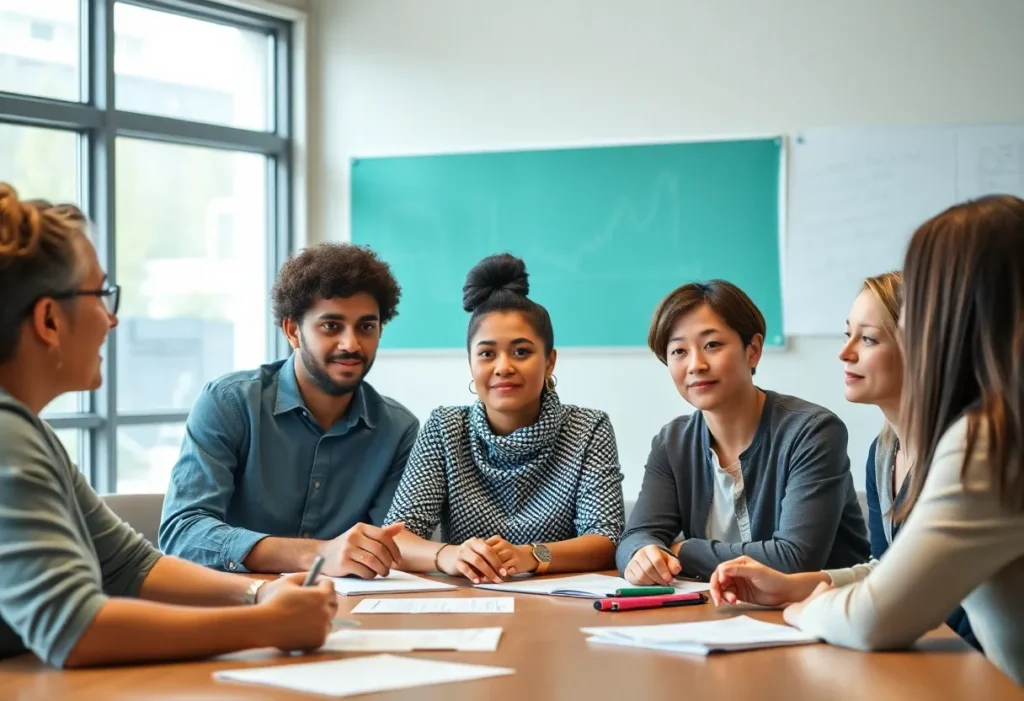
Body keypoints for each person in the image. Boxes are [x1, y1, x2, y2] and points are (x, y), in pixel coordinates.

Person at [0, 183, 336, 668]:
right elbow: (72, 628)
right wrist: (266, 625)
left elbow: (129, 566)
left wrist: (260, 595)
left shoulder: (30, 433)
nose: (112, 320)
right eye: (101, 294)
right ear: (49, 320)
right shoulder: (8, 438)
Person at [709, 195, 1024, 688]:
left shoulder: (991, 440)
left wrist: (807, 609)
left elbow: (875, 617)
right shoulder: (901, 448)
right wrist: (803, 587)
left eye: (923, 292)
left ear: (959, 307)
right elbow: (895, 567)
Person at [158, 242, 419, 579]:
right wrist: (317, 555)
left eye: (366, 327)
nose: (351, 344)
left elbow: (394, 544)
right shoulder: (229, 404)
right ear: (293, 331)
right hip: (233, 608)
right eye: (331, 326)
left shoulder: (398, 429)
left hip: (344, 611)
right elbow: (183, 532)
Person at [383, 254, 625, 583]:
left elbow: (606, 538)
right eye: (487, 353)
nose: (503, 367)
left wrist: (531, 555)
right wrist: (448, 555)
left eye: (521, 351)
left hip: (557, 606)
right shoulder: (445, 427)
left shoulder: (588, 428)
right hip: (467, 603)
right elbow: (397, 535)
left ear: (550, 362)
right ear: (470, 363)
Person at [617, 280, 869, 584]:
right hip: (721, 615)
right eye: (679, 351)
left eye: (712, 345)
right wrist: (643, 552)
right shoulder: (672, 443)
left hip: (818, 615)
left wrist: (682, 551)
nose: (696, 365)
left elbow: (794, 560)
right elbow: (636, 538)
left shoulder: (812, 431)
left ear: (753, 350)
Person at [843, 271, 979, 650]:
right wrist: (795, 585)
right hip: (922, 650)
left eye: (868, 339)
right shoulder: (882, 453)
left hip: (973, 663)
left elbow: (946, 603)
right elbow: (883, 570)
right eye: (847, 334)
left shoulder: (963, 455)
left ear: (923, 351)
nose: (845, 353)